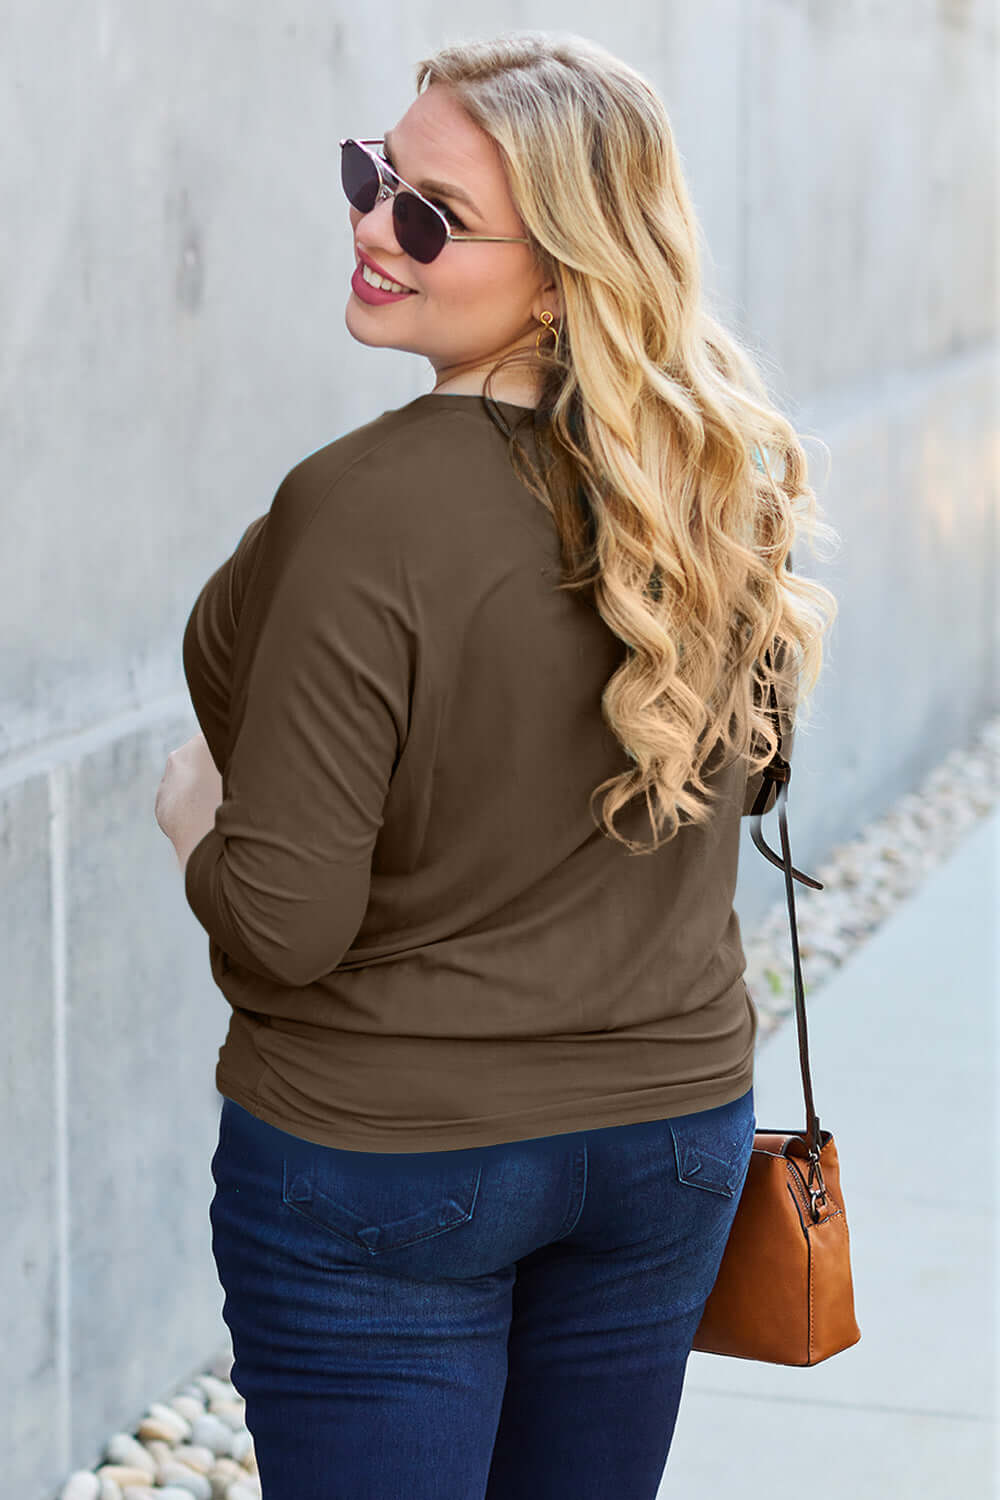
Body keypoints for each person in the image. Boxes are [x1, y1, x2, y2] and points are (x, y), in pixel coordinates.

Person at [155, 28, 838, 1500]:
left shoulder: (361, 510)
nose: (367, 226)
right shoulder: (722, 488)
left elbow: (283, 928)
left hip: (391, 1162)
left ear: (567, 264)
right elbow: (748, 774)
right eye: (368, 173)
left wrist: (188, 820)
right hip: (666, 1147)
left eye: (425, 214)